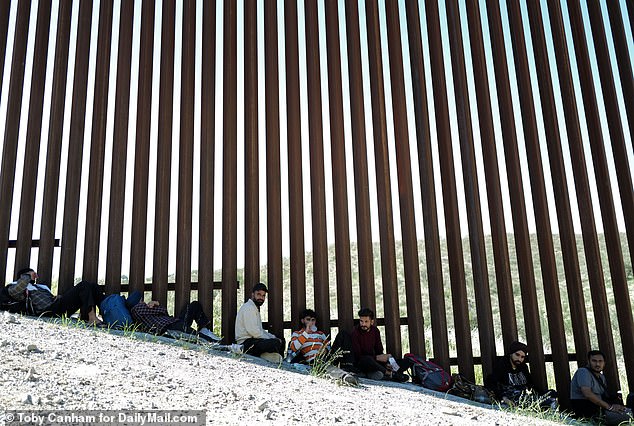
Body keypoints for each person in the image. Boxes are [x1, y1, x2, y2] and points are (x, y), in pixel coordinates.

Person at [3, 268, 104, 325]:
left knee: (92, 286)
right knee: (83, 285)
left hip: (57, 307)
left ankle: (106, 316)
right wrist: (27, 276)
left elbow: (51, 298)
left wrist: (57, 297)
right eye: (31, 273)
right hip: (47, 311)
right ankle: (92, 318)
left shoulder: (41, 287)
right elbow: (15, 291)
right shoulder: (15, 286)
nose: (34, 275)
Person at [286, 308, 358, 385]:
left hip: (325, 355)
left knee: (343, 334)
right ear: (302, 321)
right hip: (313, 359)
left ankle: (349, 368)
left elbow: (328, 346)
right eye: (308, 319)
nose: (311, 322)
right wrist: (306, 332)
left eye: (313, 320)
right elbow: (294, 347)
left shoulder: (320, 333)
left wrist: (325, 349)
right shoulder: (297, 333)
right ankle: (344, 376)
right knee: (324, 364)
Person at [126, 291, 221, 343]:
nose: (144, 302)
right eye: (142, 301)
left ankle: (204, 329)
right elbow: (162, 311)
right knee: (198, 338)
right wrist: (157, 304)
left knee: (193, 306)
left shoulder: (138, 313)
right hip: (170, 327)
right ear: (139, 301)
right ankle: (218, 344)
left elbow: (163, 314)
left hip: (173, 323)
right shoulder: (138, 308)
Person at [485, 341, 556, 407]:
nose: (519, 359)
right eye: (517, 355)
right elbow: (491, 382)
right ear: (511, 353)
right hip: (511, 396)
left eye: (522, 357)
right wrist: (503, 398)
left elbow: (530, 384)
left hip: (524, 395)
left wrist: (543, 393)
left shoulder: (523, 367)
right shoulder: (502, 365)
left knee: (551, 394)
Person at [570, 350, 633, 425]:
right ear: (588, 361)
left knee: (631, 398)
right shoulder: (583, 372)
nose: (597, 364)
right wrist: (610, 407)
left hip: (600, 409)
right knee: (630, 415)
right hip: (588, 411)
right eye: (594, 361)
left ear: (604, 363)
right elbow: (588, 394)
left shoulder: (601, 377)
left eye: (600, 361)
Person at [351, 307, 409, 382]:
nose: (363, 324)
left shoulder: (375, 331)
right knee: (367, 360)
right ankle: (390, 374)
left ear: (371, 322)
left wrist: (386, 362)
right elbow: (358, 356)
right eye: (361, 321)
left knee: (406, 361)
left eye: (366, 321)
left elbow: (379, 350)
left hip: (375, 361)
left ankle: (391, 371)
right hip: (363, 363)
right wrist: (376, 358)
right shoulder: (355, 333)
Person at [234, 283, 285, 362]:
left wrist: (272, 337)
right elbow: (254, 332)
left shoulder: (254, 308)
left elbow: (260, 331)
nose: (261, 298)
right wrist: (272, 339)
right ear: (252, 294)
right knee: (276, 342)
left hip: (254, 340)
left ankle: (264, 355)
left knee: (279, 339)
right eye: (259, 294)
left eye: (263, 296)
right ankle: (261, 354)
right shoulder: (249, 308)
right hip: (245, 343)